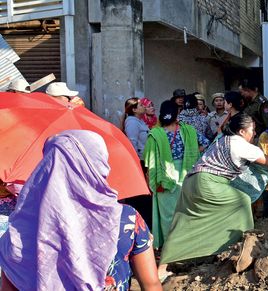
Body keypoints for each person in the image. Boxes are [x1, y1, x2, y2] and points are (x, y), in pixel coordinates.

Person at [157, 113, 268, 278]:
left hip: (191, 182)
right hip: (209, 184)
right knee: (242, 202)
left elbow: (245, 167)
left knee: (184, 222)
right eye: (252, 130)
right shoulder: (241, 145)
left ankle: (162, 269)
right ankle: (243, 253)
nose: (254, 133)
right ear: (241, 131)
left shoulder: (222, 139)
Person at [0, 130, 161, 291]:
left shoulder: (19, 229)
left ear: (47, 165)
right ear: (99, 165)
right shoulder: (127, 219)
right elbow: (151, 285)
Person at [143, 100, 210, 249]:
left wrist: (150, 180)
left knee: (168, 216)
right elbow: (206, 143)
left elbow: (149, 161)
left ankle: (170, 248)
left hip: (163, 177)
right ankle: (188, 246)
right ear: (177, 113)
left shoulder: (154, 134)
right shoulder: (188, 130)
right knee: (186, 212)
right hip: (187, 175)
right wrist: (193, 153)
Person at [121, 97, 153, 229]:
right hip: (138, 160)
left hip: (143, 159)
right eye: (140, 105)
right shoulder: (132, 122)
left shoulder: (139, 121)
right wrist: (135, 163)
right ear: (134, 109)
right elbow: (132, 142)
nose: (143, 106)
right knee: (140, 196)